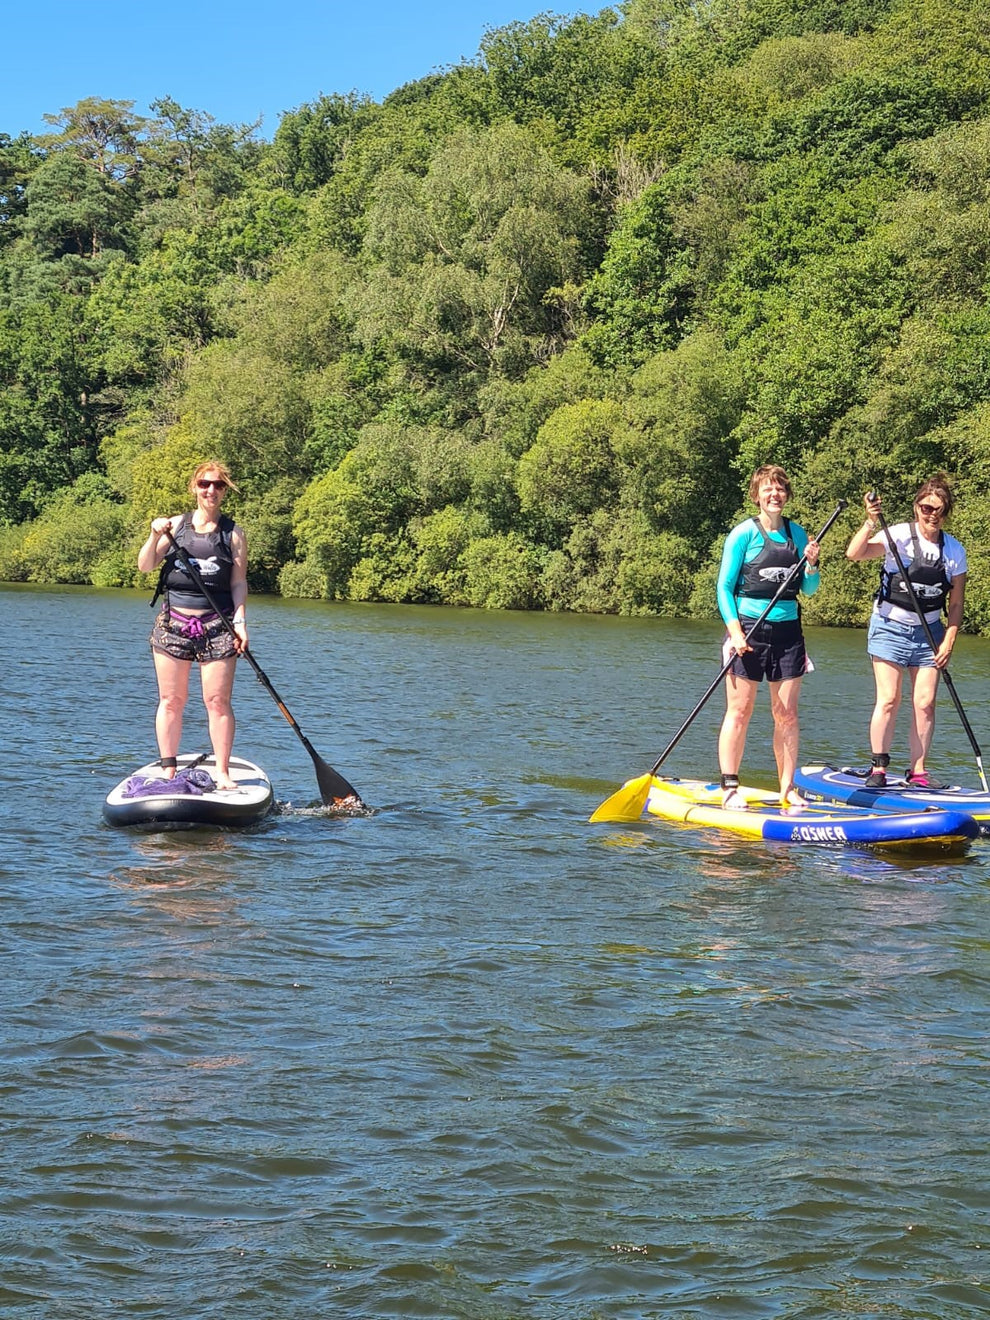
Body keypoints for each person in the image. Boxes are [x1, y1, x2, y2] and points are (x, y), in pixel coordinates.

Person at [845, 477, 967, 789]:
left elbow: (955, 604)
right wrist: (871, 522)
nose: (932, 515)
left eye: (939, 510)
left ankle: (918, 771)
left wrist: (949, 640)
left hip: (930, 634)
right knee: (889, 699)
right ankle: (879, 768)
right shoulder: (898, 535)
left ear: (945, 512)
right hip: (889, 627)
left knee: (925, 703)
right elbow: (855, 553)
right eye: (926, 508)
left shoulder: (954, 550)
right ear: (917, 507)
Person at [137, 460, 249, 792]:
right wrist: (155, 533)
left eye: (217, 485)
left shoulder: (234, 534)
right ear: (194, 487)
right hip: (173, 626)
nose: (210, 490)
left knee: (217, 701)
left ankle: (223, 772)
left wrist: (241, 623)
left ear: (224, 490)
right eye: (204, 484)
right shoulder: (174, 526)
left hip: (218, 628)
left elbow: (238, 584)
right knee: (171, 700)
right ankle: (169, 770)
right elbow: (145, 566)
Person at [716, 464, 821, 810]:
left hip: (789, 633)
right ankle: (730, 787)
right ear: (757, 495)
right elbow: (724, 587)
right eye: (767, 489)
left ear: (786, 495)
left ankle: (787, 789)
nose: (774, 494)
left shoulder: (799, 534)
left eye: (780, 489)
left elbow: (809, 589)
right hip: (748, 629)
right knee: (740, 710)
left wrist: (812, 565)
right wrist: (735, 631)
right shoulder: (743, 534)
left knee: (786, 713)